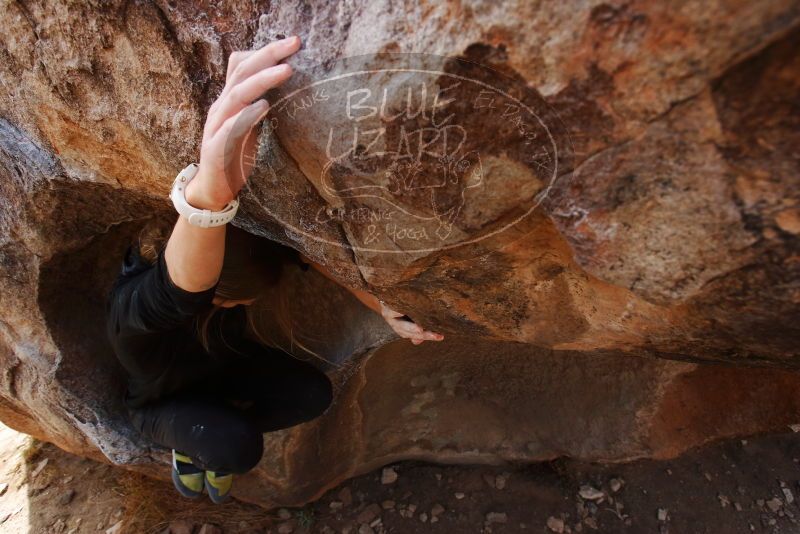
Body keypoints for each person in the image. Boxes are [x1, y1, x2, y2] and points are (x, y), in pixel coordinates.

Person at [105, 36, 444, 504]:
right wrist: (208, 193)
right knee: (235, 446)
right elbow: (179, 291)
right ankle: (196, 446)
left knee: (311, 395)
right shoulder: (132, 313)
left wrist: (382, 306)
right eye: (240, 300)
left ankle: (220, 422)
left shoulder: (239, 261)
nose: (249, 306)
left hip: (223, 373)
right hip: (162, 403)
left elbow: (306, 255)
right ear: (217, 294)